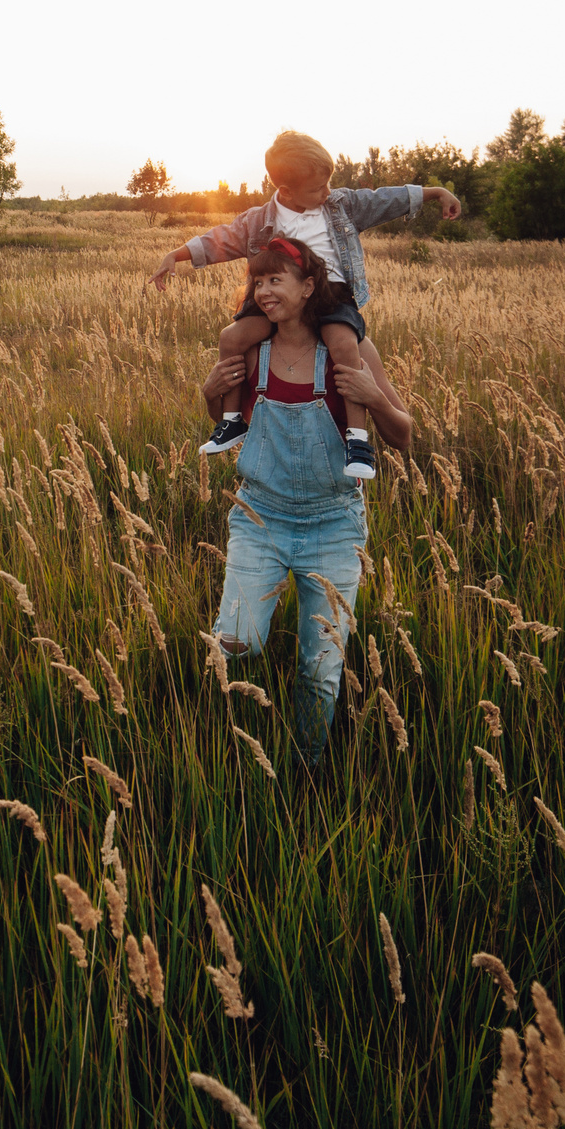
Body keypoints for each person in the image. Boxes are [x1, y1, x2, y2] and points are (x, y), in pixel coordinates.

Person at [198, 235, 414, 762]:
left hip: (333, 526)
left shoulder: (352, 349)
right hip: (260, 517)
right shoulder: (251, 349)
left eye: (278, 281)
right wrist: (210, 395)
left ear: (309, 286)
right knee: (238, 642)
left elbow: (404, 434)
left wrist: (372, 401)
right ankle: (233, 743)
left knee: (321, 668)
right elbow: (233, 425)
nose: (265, 292)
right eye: (259, 282)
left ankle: (305, 765)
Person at [148, 129, 457, 477]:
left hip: (333, 297)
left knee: (342, 342)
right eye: (317, 189)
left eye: (328, 184)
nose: (327, 193)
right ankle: (232, 423)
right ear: (285, 190)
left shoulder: (339, 206)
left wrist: (435, 192)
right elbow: (221, 239)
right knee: (230, 337)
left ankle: (357, 439)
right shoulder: (260, 221)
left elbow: (384, 199)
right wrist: (177, 254)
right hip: (275, 307)